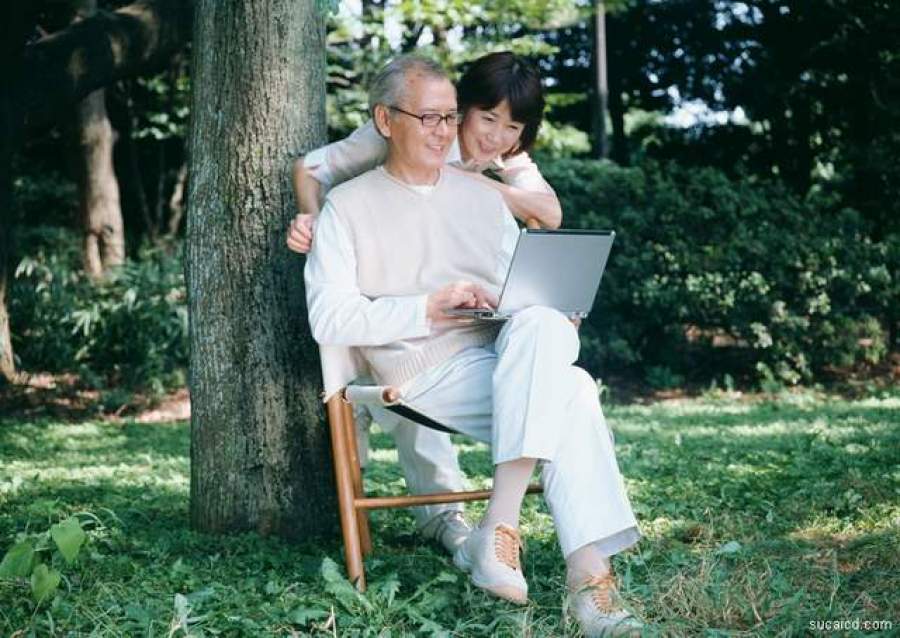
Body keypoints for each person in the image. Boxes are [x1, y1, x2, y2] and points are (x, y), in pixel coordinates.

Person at [304, 54, 643, 637]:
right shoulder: (349, 206)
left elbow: (524, 288)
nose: (445, 133)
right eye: (429, 118)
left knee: (544, 323)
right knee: (576, 391)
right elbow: (328, 317)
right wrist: (425, 306)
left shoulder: (490, 198)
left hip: (500, 357)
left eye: (449, 117)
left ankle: (500, 529)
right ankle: (591, 589)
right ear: (386, 121)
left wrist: (550, 310)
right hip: (419, 369)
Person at [291, 52, 563, 557]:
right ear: (463, 109)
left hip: (455, 310)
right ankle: (441, 516)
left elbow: (549, 213)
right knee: (404, 370)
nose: (496, 136)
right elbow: (310, 168)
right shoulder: (394, 129)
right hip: (383, 279)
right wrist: (309, 217)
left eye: (513, 127)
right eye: (486, 119)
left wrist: (474, 181)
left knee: (542, 367)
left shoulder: (505, 156)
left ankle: (478, 526)